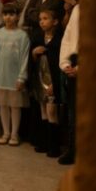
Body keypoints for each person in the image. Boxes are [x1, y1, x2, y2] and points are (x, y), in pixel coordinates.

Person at [0, 4, 30, 146]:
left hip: (15, 77)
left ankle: (15, 134)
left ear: (17, 16)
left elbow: (24, 58)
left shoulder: (22, 36)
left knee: (15, 106)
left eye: (11, 14)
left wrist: (22, 76)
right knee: (3, 105)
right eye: (5, 14)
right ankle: (5, 132)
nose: (8, 18)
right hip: (1, 75)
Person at [30, 8, 64, 158]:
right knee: (43, 110)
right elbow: (32, 60)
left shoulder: (59, 40)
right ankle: (43, 142)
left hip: (52, 80)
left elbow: (59, 64)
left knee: (52, 111)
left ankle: (54, 146)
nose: (42, 22)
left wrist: (54, 84)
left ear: (55, 21)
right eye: (40, 19)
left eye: (45, 19)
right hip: (40, 78)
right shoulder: (38, 37)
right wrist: (34, 53)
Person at [58, 0, 80, 165]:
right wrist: (65, 63)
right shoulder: (77, 9)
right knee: (73, 111)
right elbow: (68, 37)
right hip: (73, 61)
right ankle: (72, 149)